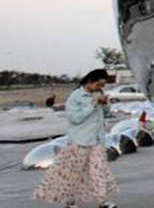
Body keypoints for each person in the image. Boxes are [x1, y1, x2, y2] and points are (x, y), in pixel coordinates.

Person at [32, 68, 118, 207]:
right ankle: (70, 202)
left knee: (99, 170)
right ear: (90, 81)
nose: (100, 88)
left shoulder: (98, 94)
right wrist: (93, 104)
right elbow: (75, 118)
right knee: (74, 172)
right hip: (79, 141)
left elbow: (106, 113)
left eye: (102, 86)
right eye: (98, 85)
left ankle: (102, 202)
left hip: (97, 140)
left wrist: (105, 103)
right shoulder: (75, 97)